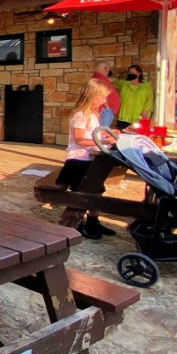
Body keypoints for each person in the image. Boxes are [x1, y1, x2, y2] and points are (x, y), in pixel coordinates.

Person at [55, 79, 117, 240]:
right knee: (86, 191)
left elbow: (93, 133)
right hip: (77, 161)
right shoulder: (80, 114)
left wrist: (107, 134)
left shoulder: (93, 114)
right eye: (102, 97)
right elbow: (79, 139)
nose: (104, 101)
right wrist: (103, 141)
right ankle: (79, 224)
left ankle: (93, 221)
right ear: (92, 96)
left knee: (97, 189)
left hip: (88, 158)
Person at [114, 64, 153, 130]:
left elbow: (149, 99)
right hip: (124, 117)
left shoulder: (146, 86)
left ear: (139, 73)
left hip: (137, 117)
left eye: (133, 73)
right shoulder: (123, 84)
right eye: (130, 73)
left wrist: (146, 110)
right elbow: (111, 88)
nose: (131, 74)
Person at [91, 61, 120, 128]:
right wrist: (107, 108)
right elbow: (102, 94)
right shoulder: (99, 79)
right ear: (105, 68)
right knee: (101, 133)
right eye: (108, 70)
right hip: (104, 111)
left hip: (104, 111)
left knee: (102, 132)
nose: (109, 72)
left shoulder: (98, 78)